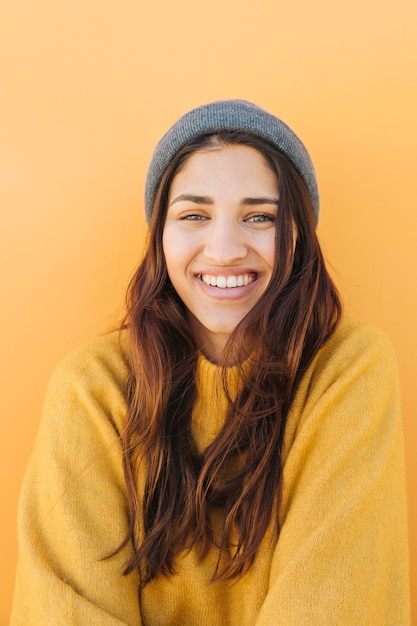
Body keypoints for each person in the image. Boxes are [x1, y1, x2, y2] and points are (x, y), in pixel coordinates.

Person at [12, 100, 410, 625]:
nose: (224, 249)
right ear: (160, 236)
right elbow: (60, 609)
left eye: (259, 217)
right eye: (194, 215)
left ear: (298, 237)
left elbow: (335, 602)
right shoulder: (91, 388)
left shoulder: (348, 368)